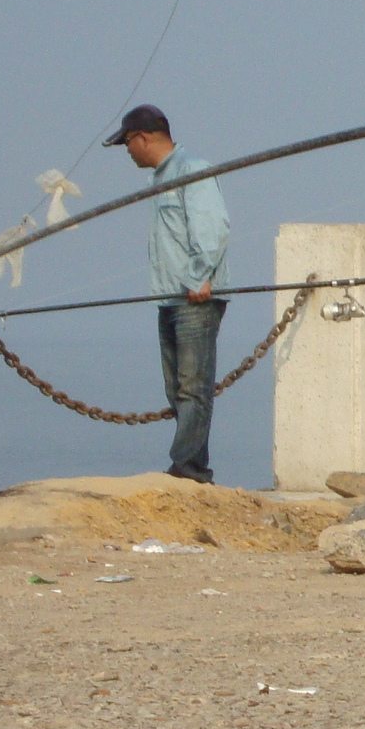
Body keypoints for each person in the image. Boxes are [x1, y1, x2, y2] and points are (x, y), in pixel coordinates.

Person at [106, 104, 231, 483]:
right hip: (170, 296)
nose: (127, 152)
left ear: (142, 138)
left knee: (193, 385)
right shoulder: (160, 178)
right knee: (176, 387)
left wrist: (199, 277)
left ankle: (188, 466)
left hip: (195, 297)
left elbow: (212, 227)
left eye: (127, 143)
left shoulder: (191, 169)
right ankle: (193, 464)